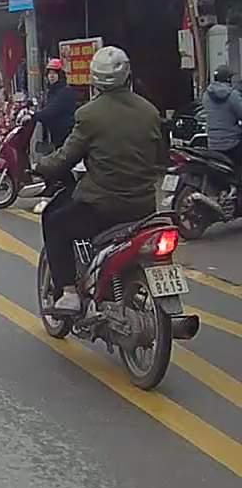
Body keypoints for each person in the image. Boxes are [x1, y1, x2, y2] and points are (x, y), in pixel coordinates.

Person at [35, 46, 165, 315]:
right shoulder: (150, 111)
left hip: (104, 209)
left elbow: (65, 158)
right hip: (144, 208)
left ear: (94, 80)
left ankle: (69, 293)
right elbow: (160, 157)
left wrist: (41, 166)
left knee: (54, 221)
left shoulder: (89, 114)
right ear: (128, 75)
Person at [202, 65, 242, 178]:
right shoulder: (233, 95)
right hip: (231, 143)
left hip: (212, 142)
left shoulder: (206, 95)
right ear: (228, 79)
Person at [32, 58, 77, 149]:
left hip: (65, 135)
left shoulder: (65, 91)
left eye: (55, 73)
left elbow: (51, 110)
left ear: (60, 75)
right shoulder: (52, 91)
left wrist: (34, 116)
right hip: (56, 135)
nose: (51, 76)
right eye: (49, 73)